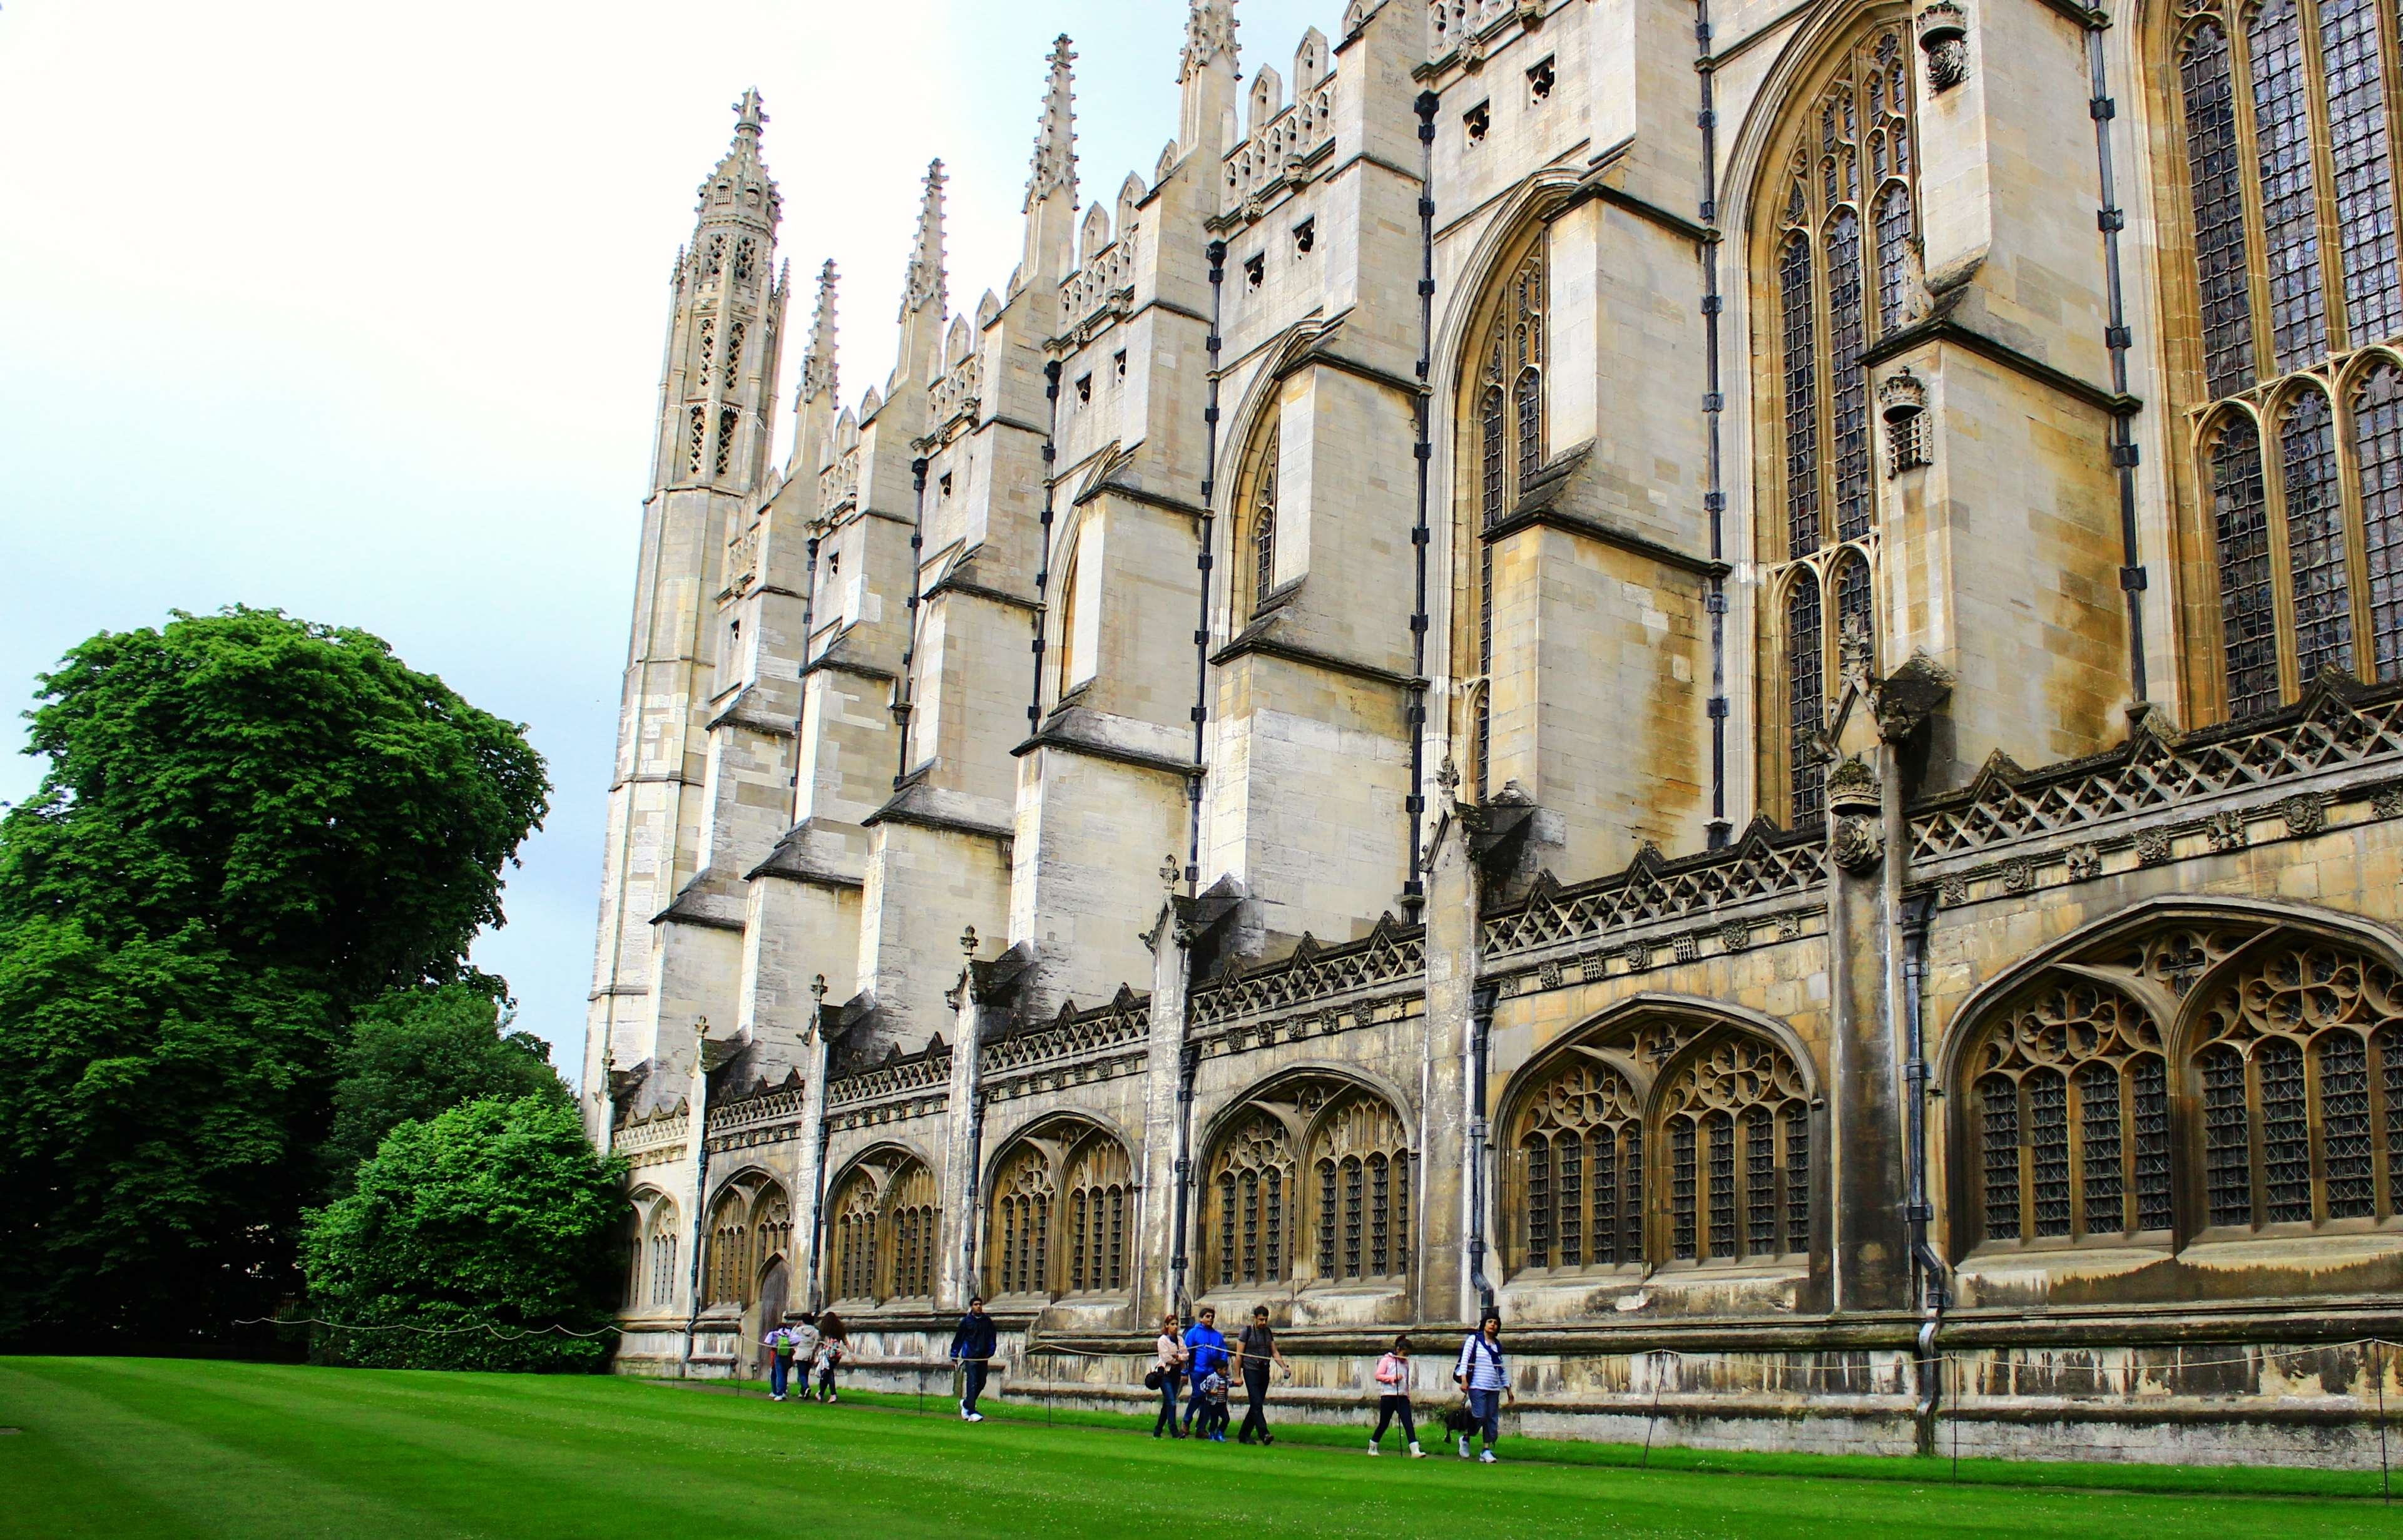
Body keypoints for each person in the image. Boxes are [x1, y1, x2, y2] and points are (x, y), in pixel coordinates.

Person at [1452, 1310, 1513, 1462]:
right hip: (1477, 1385)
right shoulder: (1474, 1340)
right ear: (1484, 1324)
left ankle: (1486, 1449)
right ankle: (1466, 1438)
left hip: (1493, 1387)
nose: (1493, 1325)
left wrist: (1508, 1388)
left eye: (1496, 1323)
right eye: (1490, 1322)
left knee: (1491, 1419)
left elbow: (1501, 1368)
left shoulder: (1497, 1345)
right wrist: (1464, 1379)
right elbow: (1465, 1360)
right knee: (1480, 1415)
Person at [1232, 1304, 1291, 1446]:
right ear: (1255, 1318)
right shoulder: (1246, 1332)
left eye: (1265, 1320)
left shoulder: (1267, 1332)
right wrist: (1237, 1376)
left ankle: (1244, 1434)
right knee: (1257, 1403)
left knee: (1256, 1405)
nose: (1263, 1323)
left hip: (1264, 1370)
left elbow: (1274, 1351)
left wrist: (1284, 1367)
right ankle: (1264, 1433)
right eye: (1261, 1320)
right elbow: (1239, 1355)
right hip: (1251, 1370)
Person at [1368, 1333, 1426, 1457]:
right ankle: (1373, 1445)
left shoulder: (1405, 1364)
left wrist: (1407, 1395)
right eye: (1404, 1354)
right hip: (1388, 1396)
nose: (1405, 1357)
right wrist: (1392, 1378)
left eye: (1407, 1355)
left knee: (1408, 1422)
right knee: (1384, 1423)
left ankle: (1415, 1450)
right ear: (1398, 1350)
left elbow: (1406, 1381)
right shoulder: (1387, 1360)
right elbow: (1378, 1375)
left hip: (1402, 1397)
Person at [1180, 1305, 1227, 1437]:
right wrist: (1185, 1371)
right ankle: (1186, 1420)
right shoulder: (1194, 1333)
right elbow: (1186, 1352)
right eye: (1207, 1316)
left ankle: (1201, 1427)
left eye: (1212, 1317)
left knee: (1209, 1399)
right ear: (1201, 1319)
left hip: (1212, 1372)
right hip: (1197, 1370)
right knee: (1198, 1394)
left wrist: (1222, 1369)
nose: (1210, 1319)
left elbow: (1223, 1353)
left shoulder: (1217, 1336)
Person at [950, 1295, 997, 1422]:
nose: (979, 1307)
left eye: (980, 1304)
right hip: (970, 1357)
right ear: (972, 1307)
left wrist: (991, 1351)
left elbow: (992, 1337)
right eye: (976, 1304)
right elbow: (959, 1339)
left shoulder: (987, 1321)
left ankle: (966, 1404)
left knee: (981, 1383)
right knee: (972, 1383)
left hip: (983, 1357)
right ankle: (971, 1411)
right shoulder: (966, 1322)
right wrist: (954, 1355)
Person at [1151, 1312, 1190, 1439]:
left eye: (1177, 1324)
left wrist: (1178, 1357)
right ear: (1167, 1325)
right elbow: (1166, 1358)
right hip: (1165, 1373)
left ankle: (1158, 1430)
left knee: (1168, 1402)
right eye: (1172, 1324)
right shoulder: (1163, 1340)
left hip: (1176, 1373)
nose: (1175, 1326)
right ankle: (1174, 1431)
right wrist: (1179, 1359)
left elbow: (1186, 1355)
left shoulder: (1180, 1340)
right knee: (1172, 1402)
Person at [814, 1310, 847, 1404]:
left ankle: (832, 1394)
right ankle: (821, 1393)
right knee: (828, 1373)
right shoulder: (840, 1330)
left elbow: (817, 1343)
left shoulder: (823, 1331)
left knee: (827, 1374)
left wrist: (813, 1353)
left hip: (827, 1355)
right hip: (836, 1356)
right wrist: (852, 1354)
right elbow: (846, 1343)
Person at [762, 1321, 800, 1402]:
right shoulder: (789, 1334)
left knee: (779, 1374)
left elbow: (767, 1342)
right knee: (785, 1374)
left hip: (778, 1355)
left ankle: (778, 1393)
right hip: (788, 1356)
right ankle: (783, 1392)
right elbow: (797, 1340)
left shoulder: (774, 1334)